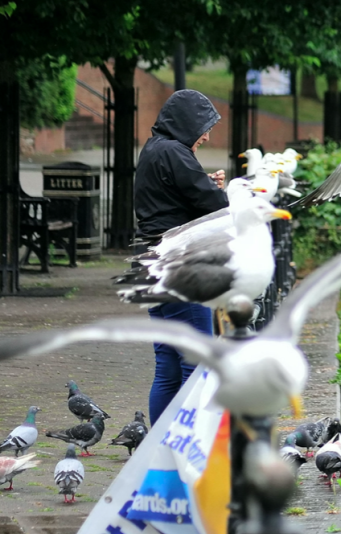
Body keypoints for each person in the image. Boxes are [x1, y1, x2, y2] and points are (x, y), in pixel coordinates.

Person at [133, 89, 228, 425]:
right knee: (195, 361)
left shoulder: (154, 150)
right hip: (181, 264)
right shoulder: (175, 151)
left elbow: (179, 196)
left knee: (168, 363)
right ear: (187, 123)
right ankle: (185, 441)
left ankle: (157, 445)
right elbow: (215, 206)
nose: (206, 135)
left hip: (152, 261)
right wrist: (220, 192)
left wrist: (207, 184)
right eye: (204, 126)